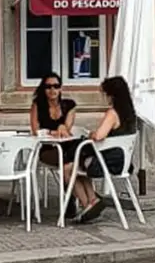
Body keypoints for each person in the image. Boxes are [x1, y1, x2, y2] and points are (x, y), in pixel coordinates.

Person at [65, 76, 137, 224]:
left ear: (111, 95)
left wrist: (92, 134)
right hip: (123, 161)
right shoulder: (130, 114)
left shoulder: (112, 113)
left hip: (108, 161)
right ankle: (92, 200)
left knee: (69, 168)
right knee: (77, 165)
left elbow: (99, 136)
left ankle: (88, 204)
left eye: (104, 94)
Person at [31, 73, 77, 170]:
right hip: (47, 148)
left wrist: (57, 130)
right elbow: (36, 131)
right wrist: (53, 132)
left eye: (56, 86)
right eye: (48, 87)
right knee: (70, 162)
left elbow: (65, 131)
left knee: (74, 160)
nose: (52, 90)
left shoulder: (69, 105)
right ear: (44, 89)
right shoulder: (37, 105)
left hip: (67, 147)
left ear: (60, 88)